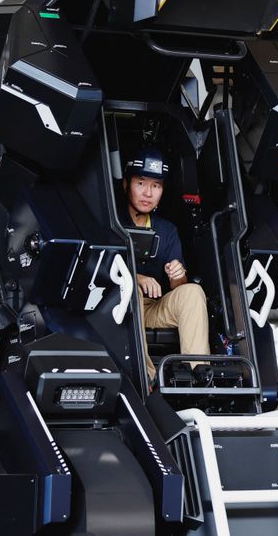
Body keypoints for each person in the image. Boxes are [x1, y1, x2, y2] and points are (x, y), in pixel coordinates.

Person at [122, 146, 210, 381]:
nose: (148, 193)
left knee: (192, 291)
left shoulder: (166, 229)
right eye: (141, 183)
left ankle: (199, 375)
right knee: (132, 290)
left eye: (156, 186)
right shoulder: (112, 222)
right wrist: (137, 278)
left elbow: (178, 287)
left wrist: (177, 276)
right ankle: (147, 377)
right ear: (126, 184)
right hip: (118, 307)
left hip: (153, 309)